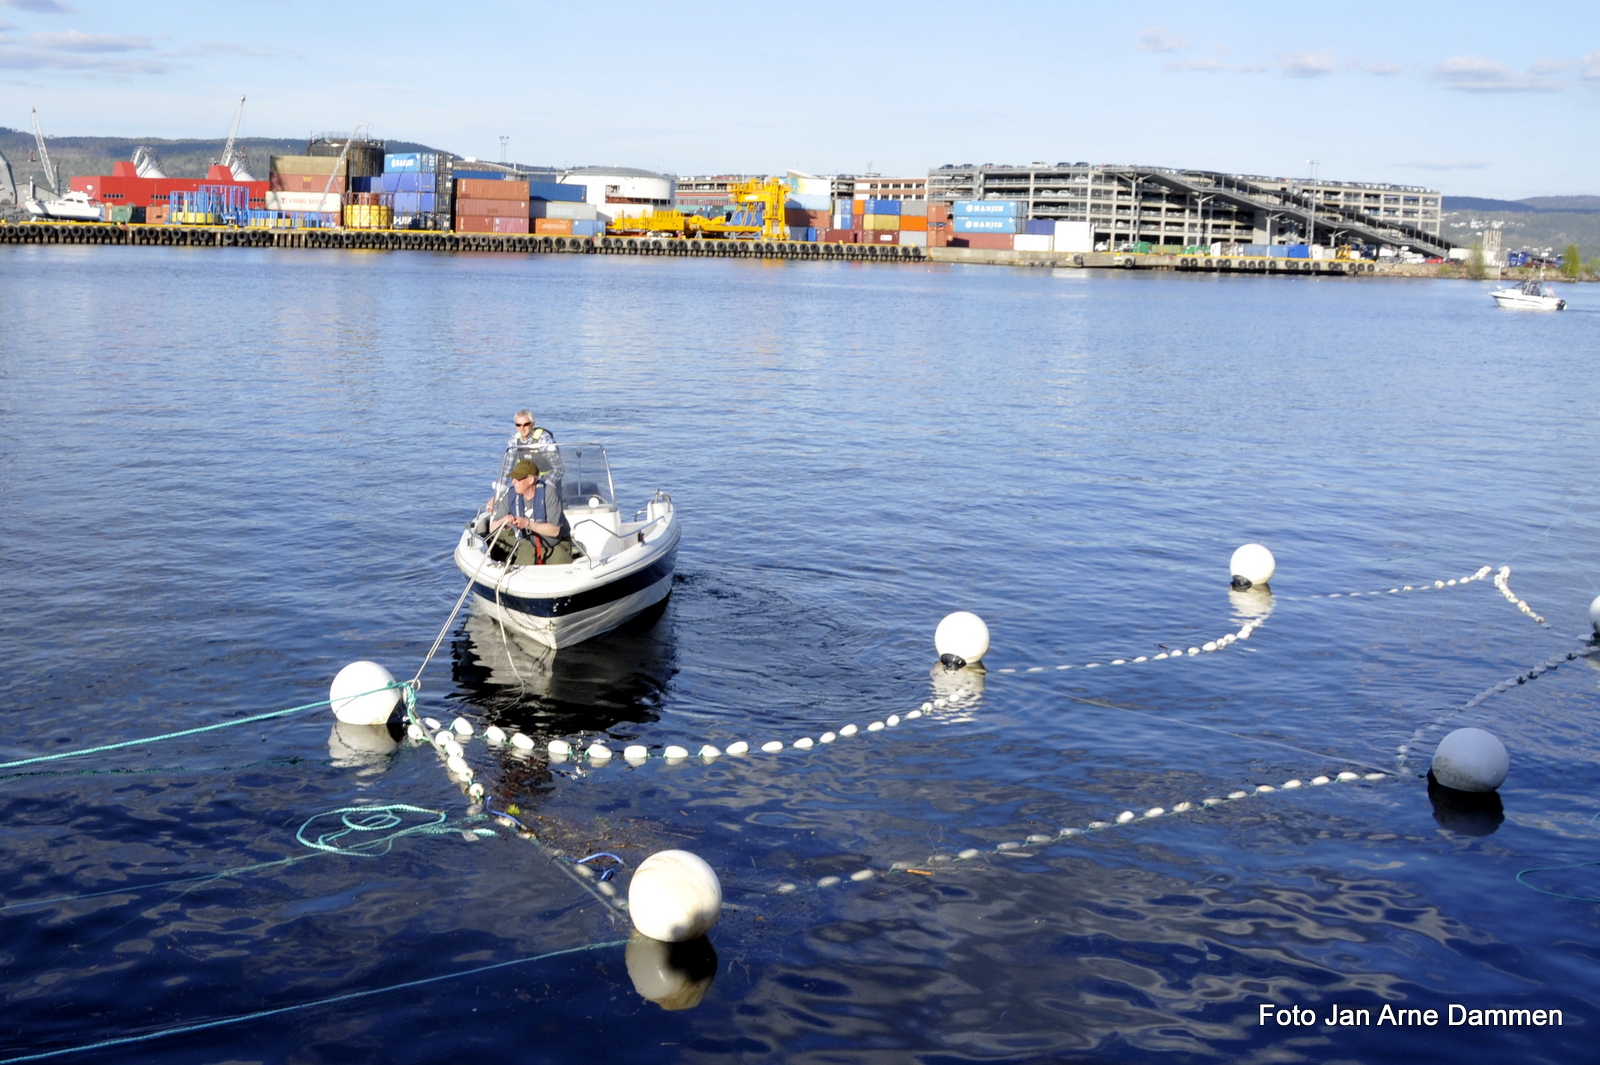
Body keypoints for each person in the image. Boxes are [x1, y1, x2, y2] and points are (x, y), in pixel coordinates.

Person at [488, 459, 572, 566]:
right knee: (522, 568)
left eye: (518, 479)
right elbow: (492, 528)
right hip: (527, 542)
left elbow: (554, 531)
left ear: (531, 479)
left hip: (555, 543)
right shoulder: (511, 495)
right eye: (513, 478)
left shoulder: (549, 494)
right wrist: (503, 521)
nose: (513, 482)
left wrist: (527, 524)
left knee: (560, 570)